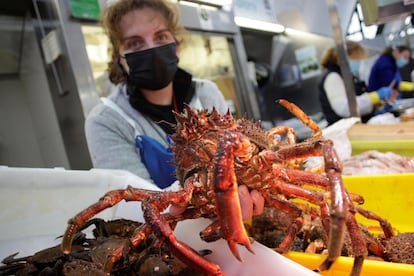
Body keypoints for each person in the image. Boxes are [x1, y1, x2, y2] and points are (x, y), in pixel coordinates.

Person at [85, 0, 264, 219]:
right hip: (166, 240)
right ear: (118, 59)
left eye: (160, 37)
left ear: (176, 45)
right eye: (134, 43)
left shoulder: (207, 93)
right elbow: (132, 210)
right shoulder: (106, 120)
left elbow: (242, 157)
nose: (151, 49)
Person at [318, 40, 394, 125]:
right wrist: (373, 97)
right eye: (356, 58)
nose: (359, 62)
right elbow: (344, 108)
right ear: (342, 58)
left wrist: (375, 105)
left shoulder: (347, 75)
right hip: (344, 131)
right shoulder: (332, 77)